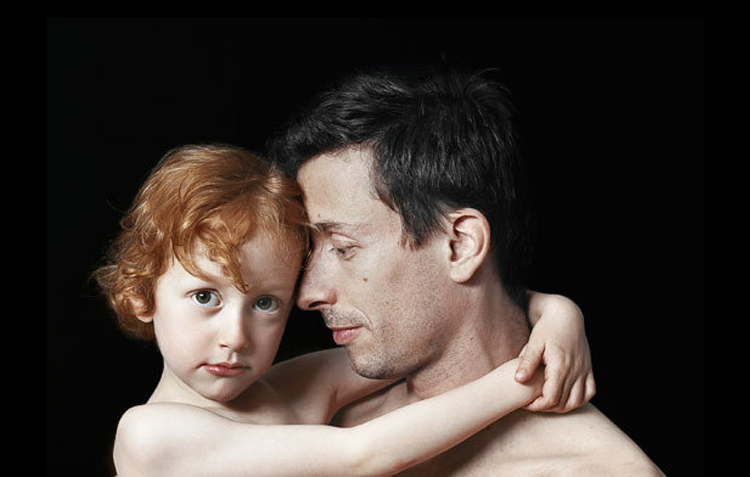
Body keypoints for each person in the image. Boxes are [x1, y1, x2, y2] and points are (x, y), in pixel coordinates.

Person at [94, 143, 595, 476]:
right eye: (205, 297)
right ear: (141, 295)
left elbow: (427, 335)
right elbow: (364, 455)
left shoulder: (291, 388)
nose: (236, 336)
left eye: (265, 303)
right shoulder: (150, 435)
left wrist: (556, 312)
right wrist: (527, 378)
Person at [270, 66, 664, 475]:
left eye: (342, 248)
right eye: (312, 250)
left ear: (461, 245)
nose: (307, 294)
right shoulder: (315, 425)